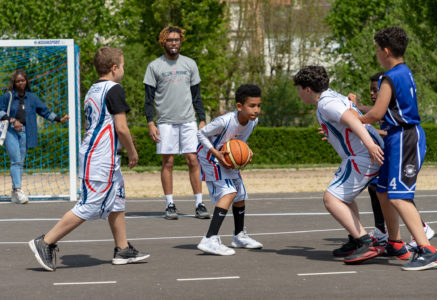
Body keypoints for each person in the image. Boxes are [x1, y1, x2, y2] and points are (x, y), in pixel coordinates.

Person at [28, 46, 149, 271]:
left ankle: (122, 249)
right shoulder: (114, 89)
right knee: (90, 205)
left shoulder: (93, 89)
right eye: (122, 66)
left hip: (102, 155)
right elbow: (121, 127)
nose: (123, 70)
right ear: (114, 68)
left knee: (117, 199)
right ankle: (45, 242)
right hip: (100, 157)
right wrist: (132, 150)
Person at [356, 26, 437, 270]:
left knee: (400, 196)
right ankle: (395, 242)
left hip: (404, 138)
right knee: (383, 191)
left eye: (376, 50)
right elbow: (380, 111)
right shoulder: (404, 72)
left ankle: (428, 250)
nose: (376, 54)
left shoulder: (390, 77)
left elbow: (376, 113)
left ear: (385, 51)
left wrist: (349, 118)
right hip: (398, 137)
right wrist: (358, 110)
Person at [293, 66, 385, 264]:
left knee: (331, 199)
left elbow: (353, 120)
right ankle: (355, 239)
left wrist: (369, 145)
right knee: (344, 197)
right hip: (360, 154)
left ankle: (365, 242)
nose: (298, 94)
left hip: (361, 156)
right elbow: (348, 120)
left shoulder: (326, 104)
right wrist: (333, 134)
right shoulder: (332, 96)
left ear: (308, 89)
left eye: (299, 89)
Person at [351, 72, 434, 250]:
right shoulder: (382, 108)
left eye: (376, 90)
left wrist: (353, 121)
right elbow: (372, 114)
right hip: (393, 148)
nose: (373, 94)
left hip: (406, 146)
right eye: (371, 91)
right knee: (380, 190)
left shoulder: (392, 109)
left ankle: (423, 234)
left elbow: (380, 123)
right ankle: (388, 236)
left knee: (398, 194)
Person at [143, 26, 209, 220]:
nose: (174, 43)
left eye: (177, 40)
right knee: (168, 162)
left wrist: (202, 119)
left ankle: (199, 203)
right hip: (165, 122)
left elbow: (197, 96)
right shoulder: (155, 66)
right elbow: (148, 99)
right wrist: (150, 123)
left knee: (193, 160)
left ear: (181, 41)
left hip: (188, 120)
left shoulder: (190, 64)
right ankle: (170, 204)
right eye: (170, 40)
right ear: (164, 42)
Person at [196, 84, 263, 255]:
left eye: (259, 105)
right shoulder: (225, 121)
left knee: (240, 193)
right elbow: (201, 134)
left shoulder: (252, 122)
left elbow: (239, 142)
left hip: (226, 158)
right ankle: (210, 238)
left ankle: (239, 235)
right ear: (239, 106)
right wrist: (216, 154)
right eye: (252, 106)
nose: (256, 110)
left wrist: (245, 151)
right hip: (210, 157)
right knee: (229, 192)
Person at [0, 70, 69, 204]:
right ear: (14, 83)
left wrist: (59, 119)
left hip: (26, 132)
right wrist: (13, 121)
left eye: (23, 80)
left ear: (26, 82)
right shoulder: (7, 96)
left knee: (20, 161)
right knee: (16, 160)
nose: (20, 83)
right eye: (18, 81)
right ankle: (19, 190)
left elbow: (45, 111)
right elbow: (0, 111)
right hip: (10, 131)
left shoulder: (32, 97)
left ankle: (15, 192)